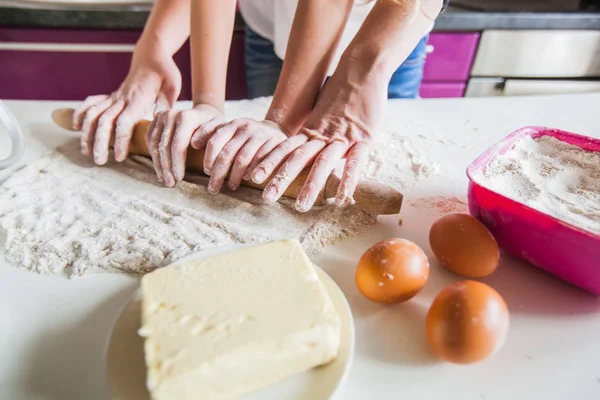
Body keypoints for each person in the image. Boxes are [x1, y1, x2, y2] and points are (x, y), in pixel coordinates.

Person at [147, 0, 448, 212]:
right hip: (274, 20)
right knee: (276, 142)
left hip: (391, 24)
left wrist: (365, 68)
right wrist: (208, 103)